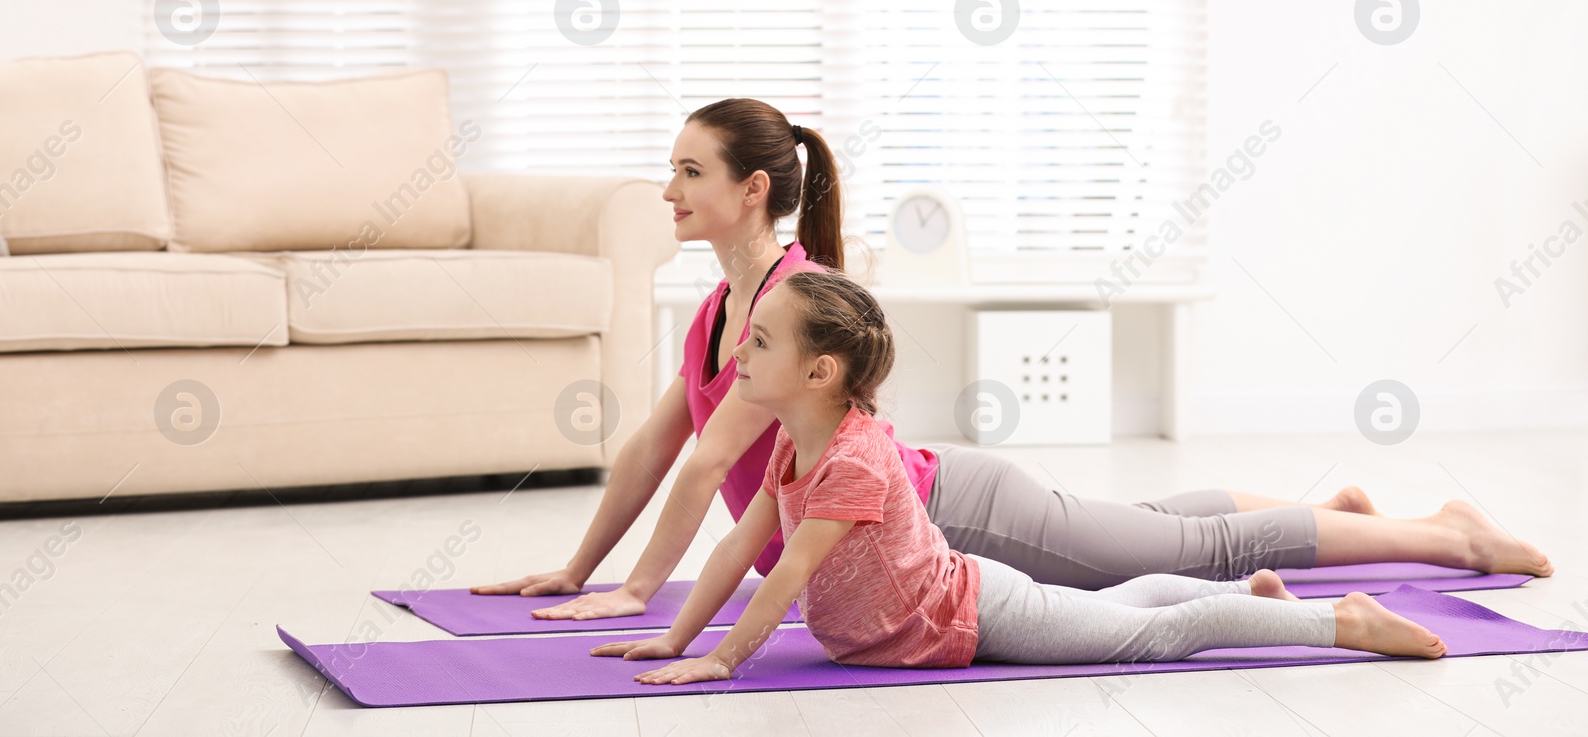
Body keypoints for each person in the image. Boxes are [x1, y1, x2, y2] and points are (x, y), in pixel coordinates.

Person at [473, 98, 1551, 617]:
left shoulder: (791, 298)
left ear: (751, 189)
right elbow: (657, 449)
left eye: (687, 171)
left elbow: (711, 464)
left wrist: (636, 590)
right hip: (932, 504)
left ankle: (1444, 537)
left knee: (1202, 555)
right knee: (1162, 533)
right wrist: (580, 566)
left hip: (950, 513)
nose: (667, 190)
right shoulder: (719, 303)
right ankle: (1354, 513)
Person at [591, 271, 1448, 684]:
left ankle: (1344, 622)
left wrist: (723, 660)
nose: (739, 350)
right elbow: (742, 544)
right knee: (1117, 607)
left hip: (967, 614)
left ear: (819, 373)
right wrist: (675, 636)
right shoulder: (789, 444)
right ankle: (1261, 593)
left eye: (762, 341)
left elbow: (785, 573)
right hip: (957, 603)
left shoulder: (853, 456)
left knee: (1150, 635)